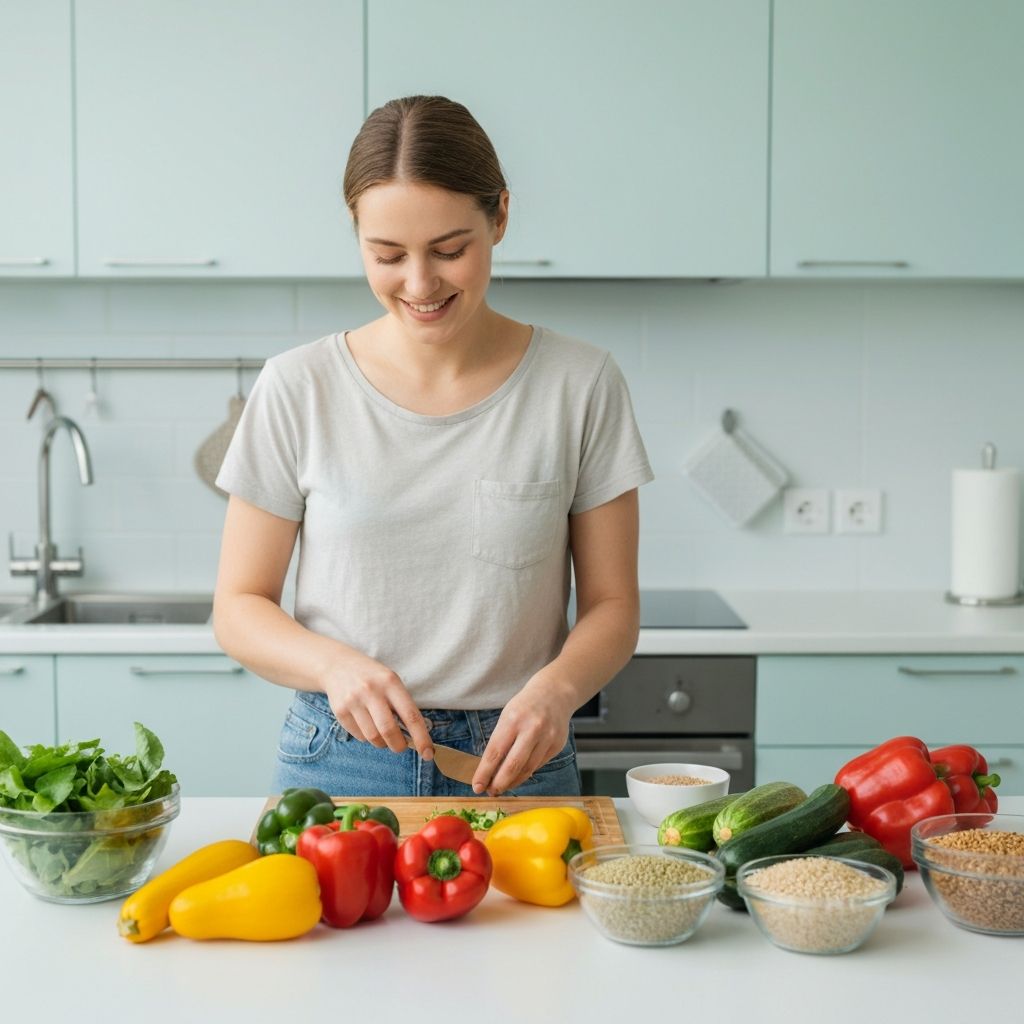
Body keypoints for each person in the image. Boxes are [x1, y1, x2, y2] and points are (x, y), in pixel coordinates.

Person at [213, 95, 653, 798]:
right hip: (341, 753)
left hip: (516, 760)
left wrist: (559, 691)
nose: (420, 285)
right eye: (387, 255)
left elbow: (613, 605)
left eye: (450, 250)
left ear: (500, 216)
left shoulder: (580, 383)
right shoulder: (299, 385)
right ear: (355, 233)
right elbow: (239, 605)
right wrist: (333, 667)